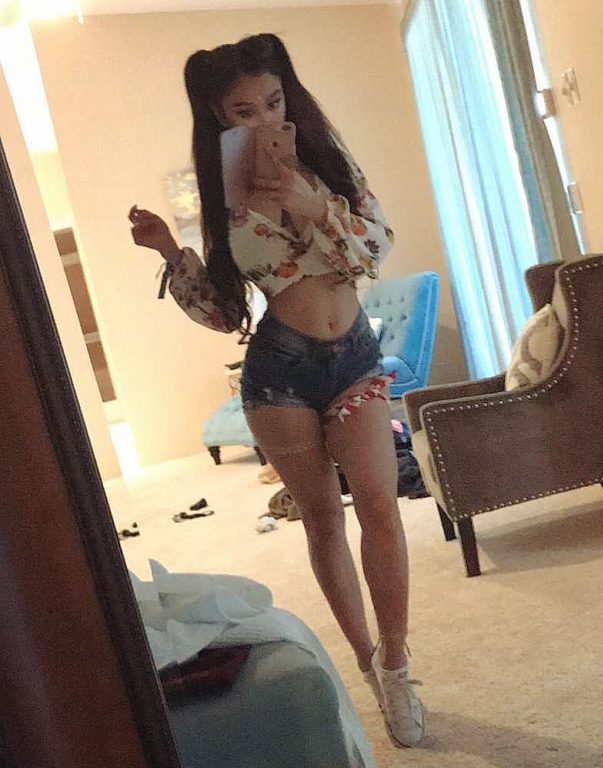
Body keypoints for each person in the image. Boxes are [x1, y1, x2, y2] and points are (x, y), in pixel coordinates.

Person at [128, 33, 425, 748]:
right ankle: (367, 664)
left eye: (273, 102)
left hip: (354, 359)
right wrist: (170, 251)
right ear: (218, 116)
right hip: (278, 372)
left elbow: (375, 251)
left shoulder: (328, 167)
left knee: (380, 508)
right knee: (323, 522)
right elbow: (226, 314)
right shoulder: (226, 197)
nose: (264, 120)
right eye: (244, 111)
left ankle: (398, 664)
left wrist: (313, 204)